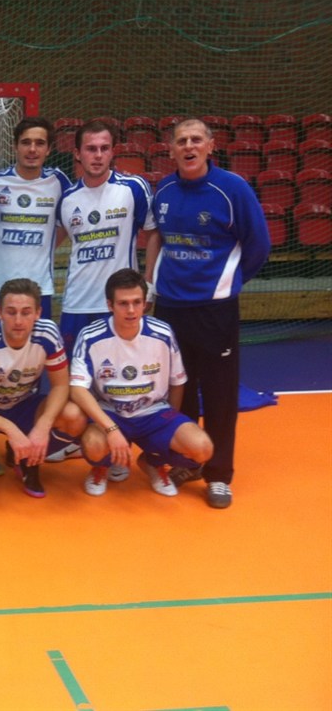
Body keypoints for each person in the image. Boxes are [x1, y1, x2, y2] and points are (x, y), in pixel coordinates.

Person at [145, 118, 270, 509]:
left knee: (219, 395)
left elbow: (259, 246)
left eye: (196, 139)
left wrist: (228, 282)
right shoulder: (164, 190)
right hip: (170, 307)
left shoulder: (232, 189)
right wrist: (151, 285)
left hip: (215, 310)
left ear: (210, 146)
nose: (189, 146)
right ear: (171, 149)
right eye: (181, 140)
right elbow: (158, 238)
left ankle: (218, 475)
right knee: (178, 392)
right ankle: (189, 462)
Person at [69, 269, 214, 498]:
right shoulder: (90, 336)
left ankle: (152, 461)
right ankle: (102, 465)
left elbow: (177, 382)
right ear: (110, 305)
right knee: (94, 445)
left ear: (145, 303)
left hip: (153, 412)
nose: (131, 310)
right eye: (123, 303)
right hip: (110, 413)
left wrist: (169, 421)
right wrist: (111, 429)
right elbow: (77, 390)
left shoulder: (162, 333)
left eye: (137, 302)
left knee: (203, 448)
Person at [0, 279, 86, 497]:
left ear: (38, 313)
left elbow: (61, 385)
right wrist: (10, 429)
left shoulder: (48, 333)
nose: (18, 321)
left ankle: (28, 460)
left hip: (25, 405)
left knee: (74, 416)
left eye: (26, 312)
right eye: (11, 312)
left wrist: (43, 425)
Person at [56, 119, 156, 353]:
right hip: (76, 303)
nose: (98, 155)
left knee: (120, 371)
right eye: (91, 149)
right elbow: (51, 244)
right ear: (77, 154)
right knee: (74, 372)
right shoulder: (68, 198)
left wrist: (148, 285)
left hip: (119, 303)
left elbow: (154, 235)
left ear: (113, 151)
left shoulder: (133, 188)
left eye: (104, 148)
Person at [0, 117, 71, 320]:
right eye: (26, 142)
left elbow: (73, 217)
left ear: (49, 149)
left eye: (40, 143)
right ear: (15, 146)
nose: (32, 149)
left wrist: (47, 244)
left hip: (40, 288)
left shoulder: (58, 181)